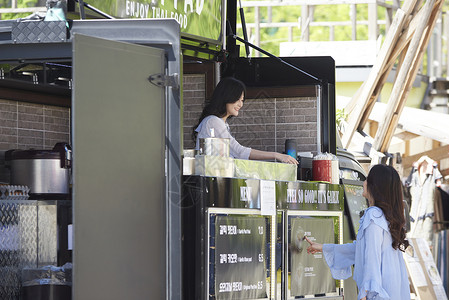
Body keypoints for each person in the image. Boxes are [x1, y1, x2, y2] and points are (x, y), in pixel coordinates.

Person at [305, 164, 410, 300]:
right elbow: (360, 249)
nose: (364, 183)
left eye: (367, 179)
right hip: (392, 288)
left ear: (375, 186)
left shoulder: (373, 216)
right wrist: (322, 248)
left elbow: (372, 257)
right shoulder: (385, 216)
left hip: (380, 292)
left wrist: (365, 293)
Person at [193, 77, 298, 164]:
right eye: (237, 99)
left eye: (242, 100)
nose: (240, 104)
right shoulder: (213, 122)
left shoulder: (221, 123)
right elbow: (239, 151)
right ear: (226, 97)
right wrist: (277, 156)